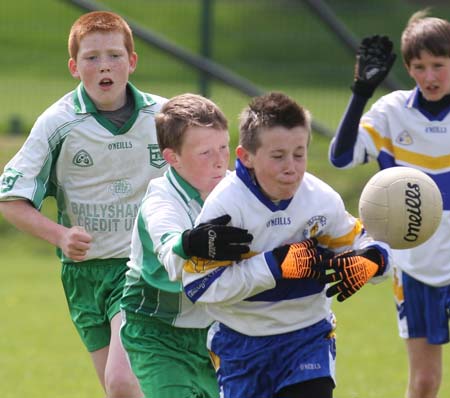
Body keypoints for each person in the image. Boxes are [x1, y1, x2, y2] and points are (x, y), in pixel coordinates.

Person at [0, 11, 169, 397]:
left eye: (114, 55)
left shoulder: (166, 117)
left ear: (132, 61)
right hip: (84, 278)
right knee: (120, 391)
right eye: (92, 57)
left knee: (123, 382)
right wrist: (60, 235)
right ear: (75, 67)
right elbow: (10, 198)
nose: (104, 66)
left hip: (147, 267)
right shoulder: (57, 123)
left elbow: (209, 176)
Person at [181, 91, 392, 398]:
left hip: (307, 338)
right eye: (278, 156)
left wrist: (372, 261)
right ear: (246, 157)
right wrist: (274, 266)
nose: (291, 167)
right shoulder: (226, 207)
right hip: (241, 345)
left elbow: (367, 243)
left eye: (300, 153)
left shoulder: (321, 199)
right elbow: (199, 287)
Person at [328, 10, 450, 398]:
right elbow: (341, 158)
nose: (429, 76)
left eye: (439, 65)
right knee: (425, 381)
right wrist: (361, 93)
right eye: (419, 66)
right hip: (413, 264)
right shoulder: (392, 111)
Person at [120, 93, 253, 398]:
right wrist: (192, 242)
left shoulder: (237, 191)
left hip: (219, 331)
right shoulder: (161, 199)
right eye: (205, 152)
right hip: (157, 332)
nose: (220, 160)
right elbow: (169, 249)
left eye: (223, 147)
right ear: (172, 158)